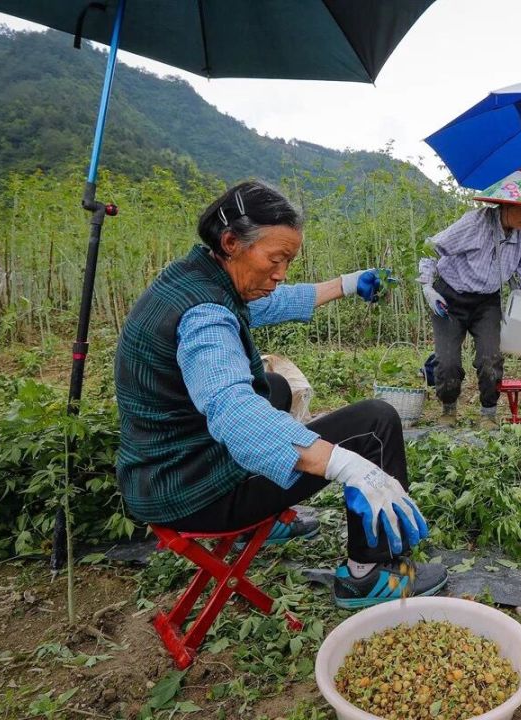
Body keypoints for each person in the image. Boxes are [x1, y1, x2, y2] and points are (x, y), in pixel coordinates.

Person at [114, 180, 447, 609]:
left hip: (158, 473)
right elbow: (230, 408)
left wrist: (346, 284)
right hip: (196, 493)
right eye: (277, 259)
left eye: (288, 260)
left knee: (274, 386)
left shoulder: (197, 278)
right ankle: (369, 573)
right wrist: (345, 465)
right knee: (375, 423)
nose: (281, 273)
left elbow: (268, 302)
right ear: (232, 242)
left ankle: (263, 524)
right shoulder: (206, 318)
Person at [417, 169, 521, 425]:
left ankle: (488, 414)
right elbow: (432, 247)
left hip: (486, 302)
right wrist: (427, 286)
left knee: (490, 359)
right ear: (505, 204)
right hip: (449, 298)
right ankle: (448, 410)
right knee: (447, 362)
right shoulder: (474, 224)